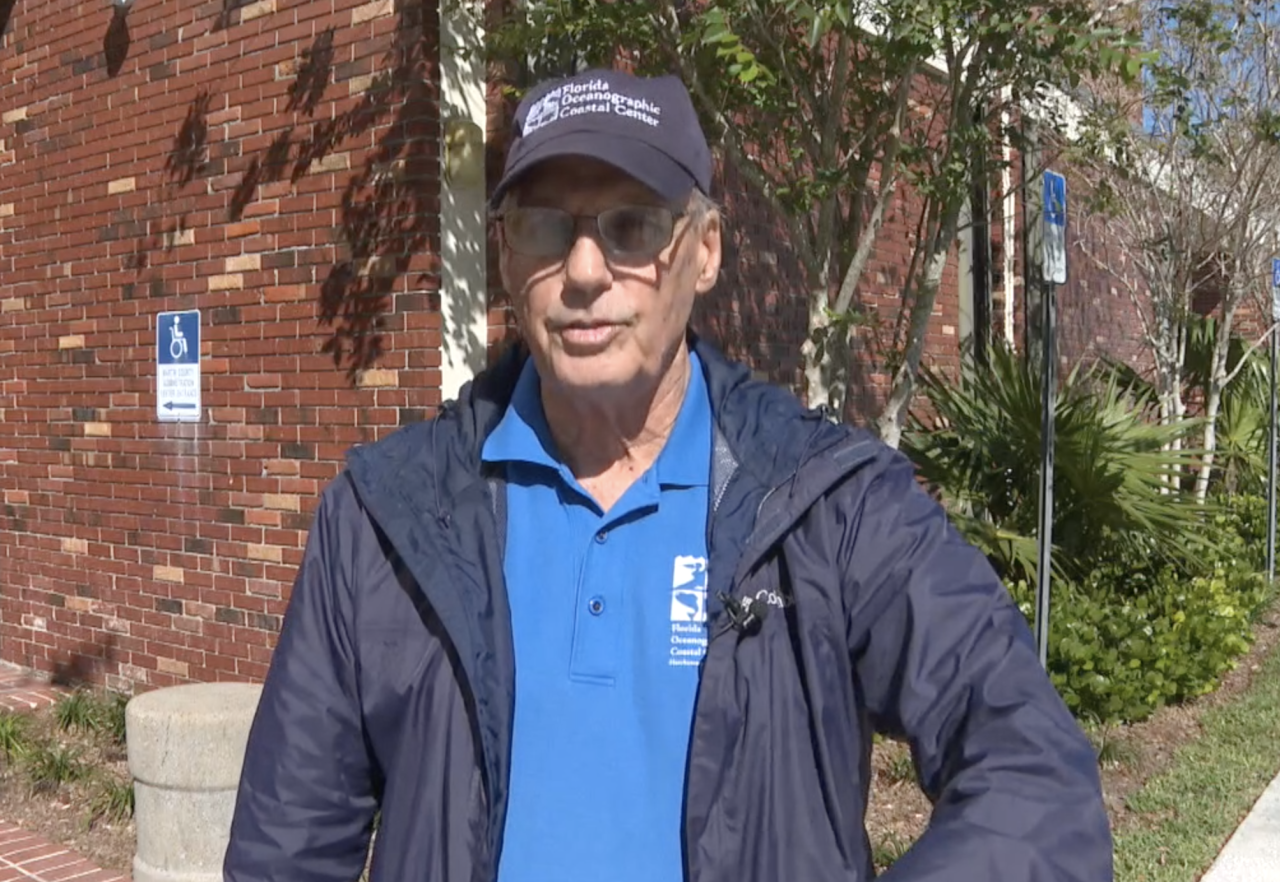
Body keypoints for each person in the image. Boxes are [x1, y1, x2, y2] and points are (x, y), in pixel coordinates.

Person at [223, 68, 1112, 882]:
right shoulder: (387, 517)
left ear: (707, 249)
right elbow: (286, 848)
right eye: (543, 227)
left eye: (632, 226)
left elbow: (1035, 778)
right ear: (504, 257)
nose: (581, 272)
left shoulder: (828, 506)